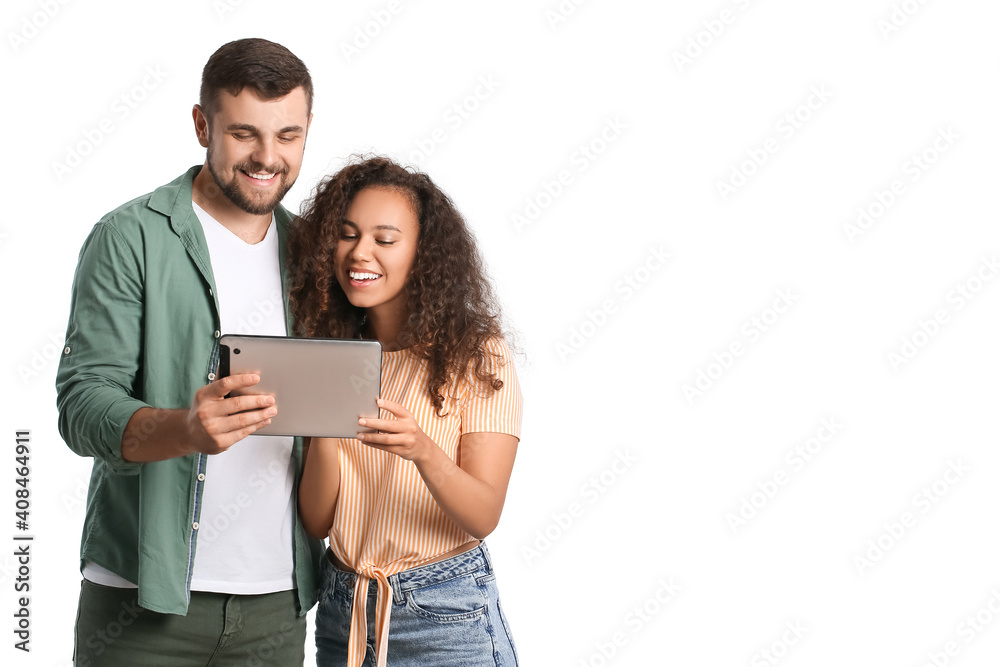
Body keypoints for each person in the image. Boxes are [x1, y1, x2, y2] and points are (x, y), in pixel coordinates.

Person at [55, 38, 324, 666]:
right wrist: (184, 428)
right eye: (244, 134)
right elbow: (82, 404)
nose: (267, 158)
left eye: (288, 135)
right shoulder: (129, 237)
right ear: (202, 125)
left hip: (277, 605)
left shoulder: (315, 251)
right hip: (141, 604)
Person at [288, 156, 523, 666]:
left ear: (424, 254)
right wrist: (324, 428)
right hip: (343, 609)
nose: (359, 253)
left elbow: (484, 515)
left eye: (384, 239)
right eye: (347, 234)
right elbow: (318, 519)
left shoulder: (476, 355)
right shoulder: (329, 354)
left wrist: (423, 451)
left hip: (443, 615)